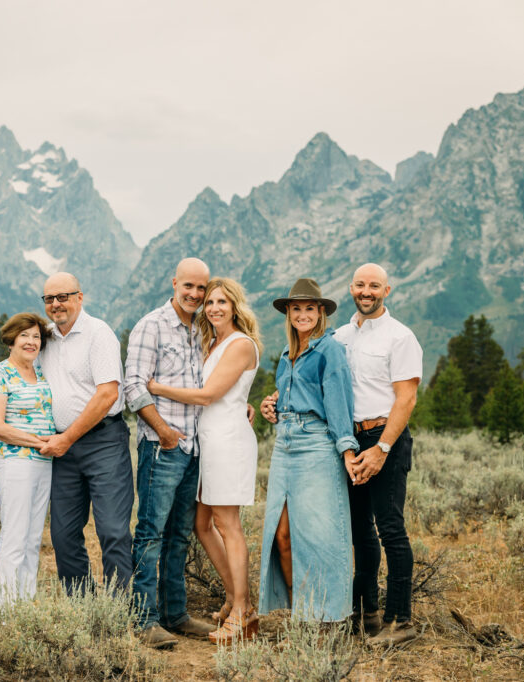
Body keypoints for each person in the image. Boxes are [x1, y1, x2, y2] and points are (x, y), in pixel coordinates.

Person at [145, 277, 262, 644]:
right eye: (209, 302)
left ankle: (242, 611)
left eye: (222, 302)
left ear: (235, 306)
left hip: (228, 442)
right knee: (202, 522)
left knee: (228, 524)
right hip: (209, 442)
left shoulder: (241, 344)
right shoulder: (212, 342)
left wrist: (157, 388)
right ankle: (235, 597)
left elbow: (209, 394)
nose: (213, 308)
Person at [124, 257, 216, 649]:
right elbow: (133, 386)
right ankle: (144, 620)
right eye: (189, 286)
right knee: (151, 533)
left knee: (180, 534)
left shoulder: (204, 329)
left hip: (196, 447)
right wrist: (162, 432)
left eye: (201, 288)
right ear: (174, 282)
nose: (195, 294)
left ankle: (175, 614)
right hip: (163, 447)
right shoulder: (152, 326)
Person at [256, 278, 358, 624]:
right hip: (284, 445)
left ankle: (325, 618)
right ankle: (302, 613)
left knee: (318, 535)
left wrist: (346, 449)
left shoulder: (331, 350)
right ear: (288, 313)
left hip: (316, 444)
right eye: (296, 308)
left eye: (309, 309)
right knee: (281, 535)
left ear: (320, 313)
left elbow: (338, 401)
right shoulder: (287, 354)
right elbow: (290, 396)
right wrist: (272, 406)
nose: (302, 314)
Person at [334, 263, 422, 645]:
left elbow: (407, 398)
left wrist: (382, 448)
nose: (366, 291)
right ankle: (367, 613)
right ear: (351, 288)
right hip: (350, 442)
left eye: (374, 285)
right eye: (359, 284)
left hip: (385, 435)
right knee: (359, 532)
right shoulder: (339, 336)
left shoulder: (400, 337)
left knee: (390, 529)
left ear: (388, 290)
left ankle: (400, 620)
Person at [37, 272, 134, 599]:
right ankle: (82, 606)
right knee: (63, 534)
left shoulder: (98, 333)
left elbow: (107, 394)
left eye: (63, 296)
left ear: (80, 297)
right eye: (49, 298)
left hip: (102, 442)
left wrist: (67, 439)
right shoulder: (45, 338)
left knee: (113, 531)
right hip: (61, 446)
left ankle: (120, 610)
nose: (56, 304)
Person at [0, 313, 56, 608]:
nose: (31, 341)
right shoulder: (0, 373)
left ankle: (25, 607)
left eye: (36, 336)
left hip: (44, 463)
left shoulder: (40, 372)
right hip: (15, 462)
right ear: (11, 339)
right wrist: (39, 442)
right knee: (14, 537)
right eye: (24, 335)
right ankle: (6, 611)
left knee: (32, 538)